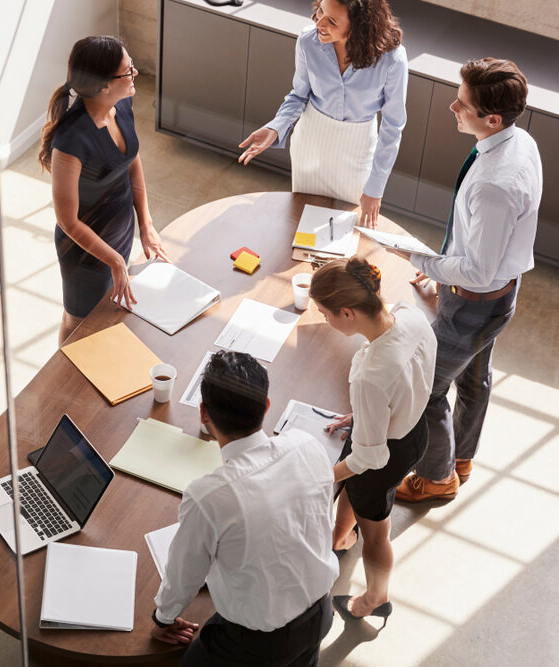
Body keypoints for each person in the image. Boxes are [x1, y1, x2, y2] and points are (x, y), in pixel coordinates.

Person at [391, 58, 543, 502]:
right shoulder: (519, 141)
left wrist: (421, 258)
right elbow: (484, 254)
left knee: (425, 391)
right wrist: (446, 270)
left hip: (474, 303)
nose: (451, 106)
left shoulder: (494, 185)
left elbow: (477, 271)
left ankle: (438, 477)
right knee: (475, 377)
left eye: (463, 103)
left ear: (492, 118)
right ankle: (462, 455)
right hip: (498, 295)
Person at [150, 351, 338, 666]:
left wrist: (163, 619)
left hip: (256, 645)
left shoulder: (208, 496)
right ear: (266, 406)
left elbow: (184, 575)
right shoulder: (307, 445)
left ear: (203, 414)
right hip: (320, 614)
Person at [309, 257, 436, 621]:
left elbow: (368, 459)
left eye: (324, 312)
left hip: (385, 455)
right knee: (356, 492)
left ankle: (374, 598)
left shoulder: (371, 377)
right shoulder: (409, 315)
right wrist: (366, 416)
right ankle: (338, 537)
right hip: (413, 427)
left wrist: (320, 477)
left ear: (346, 312)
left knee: (376, 534)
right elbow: (409, 380)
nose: (324, 319)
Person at [38, 35, 169, 344]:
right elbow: (68, 221)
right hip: (84, 250)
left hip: (119, 234)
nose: (135, 74)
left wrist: (146, 224)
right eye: (128, 70)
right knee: (78, 320)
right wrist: (114, 261)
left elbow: (132, 163)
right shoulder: (71, 141)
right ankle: (61, 382)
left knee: (105, 314)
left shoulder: (121, 105)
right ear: (105, 85)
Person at [238, 0, 408, 228]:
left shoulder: (392, 58)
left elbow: (393, 126)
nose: (319, 22)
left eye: (331, 20)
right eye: (320, 11)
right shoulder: (308, 41)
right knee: (301, 224)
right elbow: (299, 95)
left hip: (356, 152)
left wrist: (375, 189)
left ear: (360, 25)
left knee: (345, 230)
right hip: (311, 142)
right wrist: (274, 128)